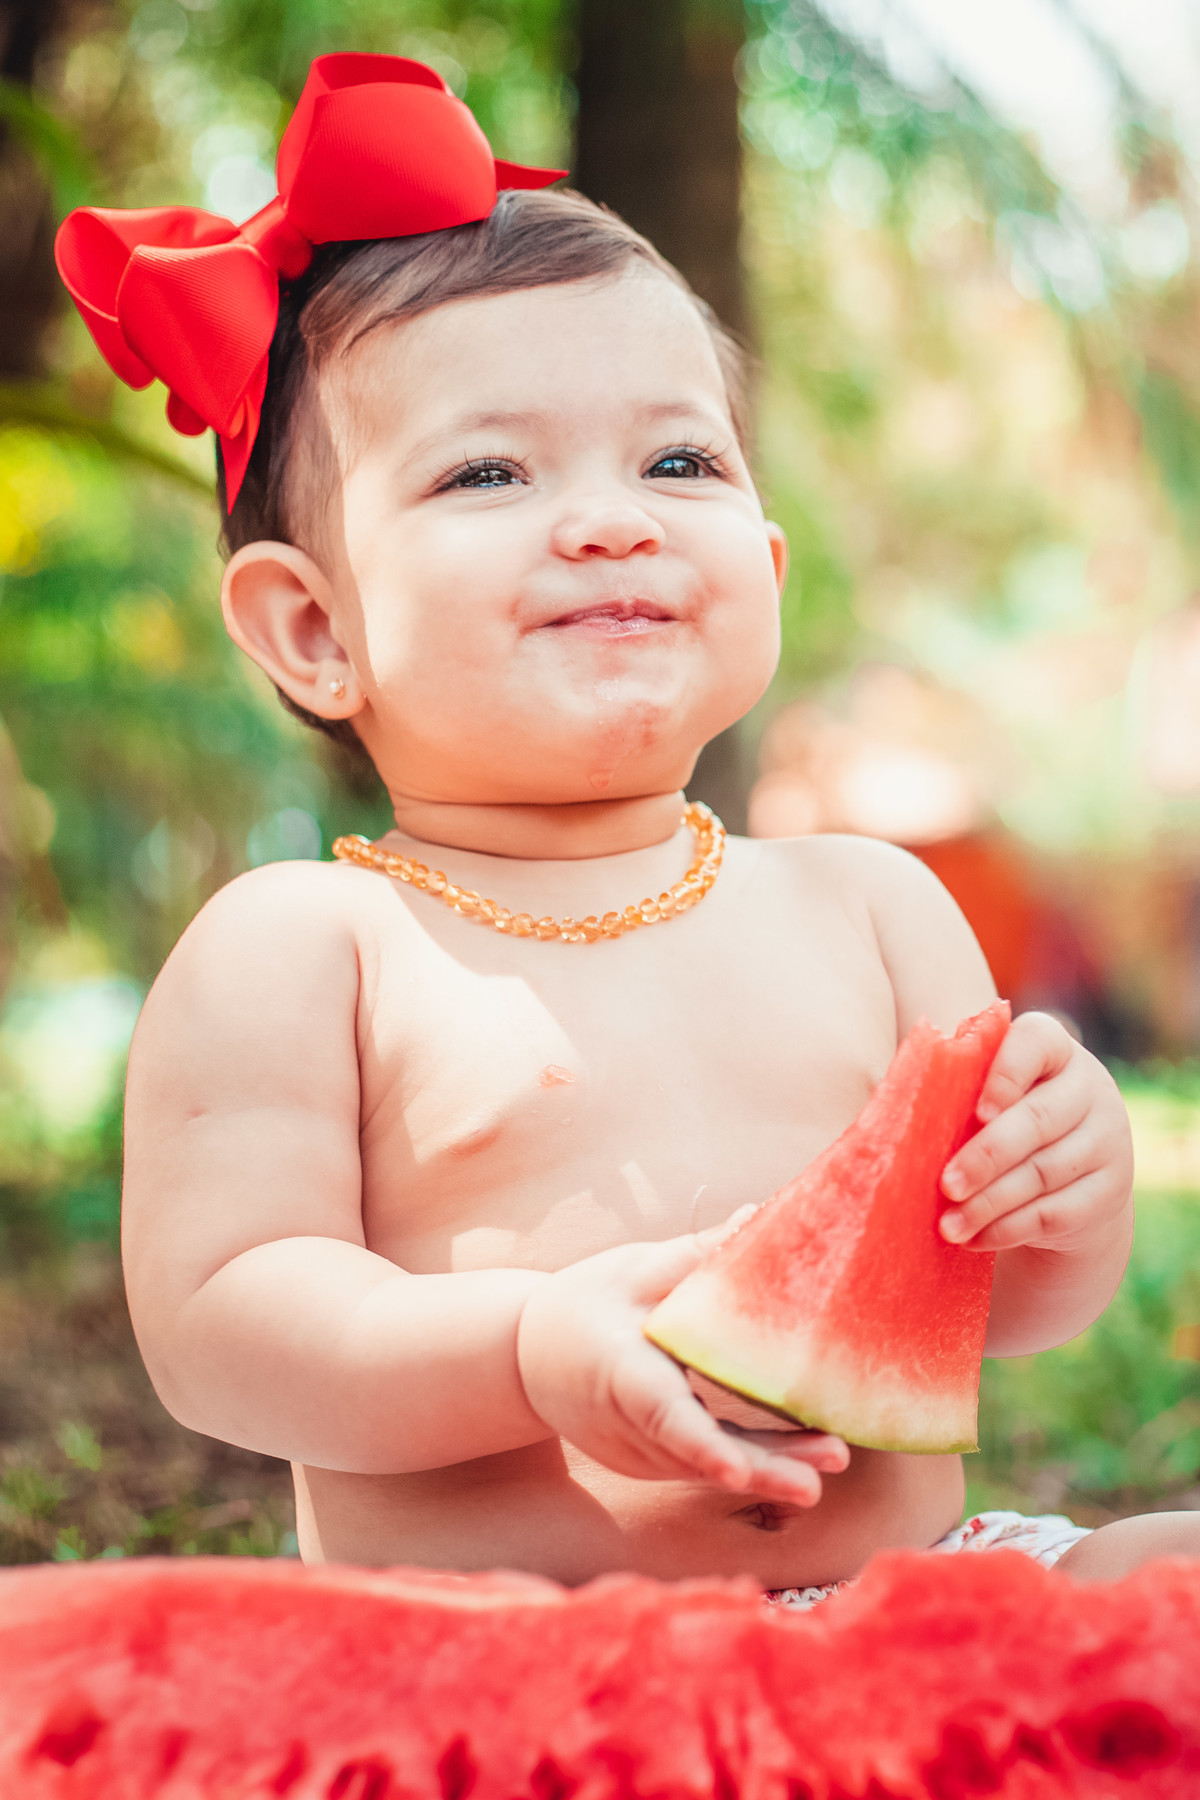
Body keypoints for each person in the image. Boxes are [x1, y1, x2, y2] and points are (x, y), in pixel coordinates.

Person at [60, 54, 1192, 1598]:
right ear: (313, 631)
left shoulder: (872, 904)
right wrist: (527, 1347)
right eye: (488, 471)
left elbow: (996, 1309)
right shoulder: (303, 947)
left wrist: (1069, 1190)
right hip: (500, 1644)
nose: (614, 516)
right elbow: (223, 1331)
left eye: (678, 460)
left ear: (769, 573)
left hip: (923, 1589)